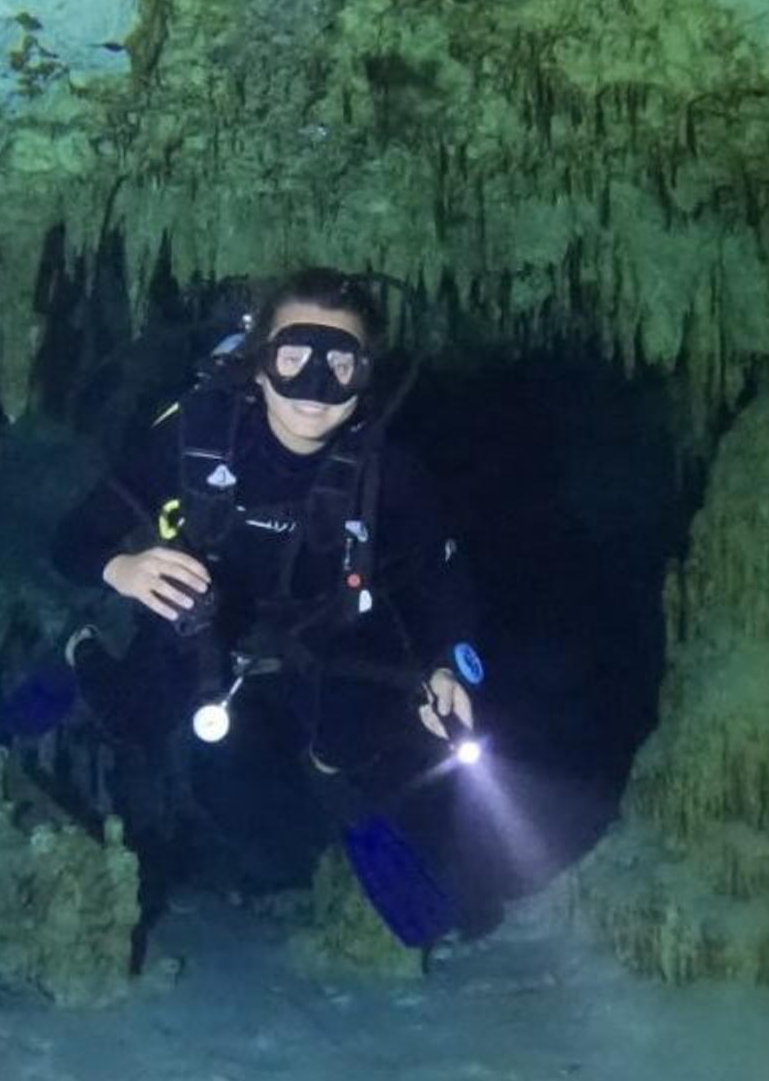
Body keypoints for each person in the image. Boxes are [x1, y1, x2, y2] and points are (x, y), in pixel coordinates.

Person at [49, 266, 486, 938]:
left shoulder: (387, 471)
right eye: (293, 357)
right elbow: (71, 541)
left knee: (360, 740)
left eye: (340, 363)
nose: (315, 387)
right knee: (133, 719)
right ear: (258, 367)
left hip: (321, 630)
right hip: (202, 623)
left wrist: (448, 665)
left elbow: (440, 578)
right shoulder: (195, 436)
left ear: (365, 377)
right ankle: (78, 651)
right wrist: (124, 569)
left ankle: (346, 801)